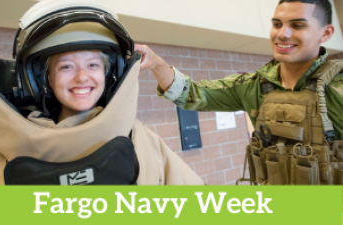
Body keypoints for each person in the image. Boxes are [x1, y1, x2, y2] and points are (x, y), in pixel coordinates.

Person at [0, 0, 204, 185]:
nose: (82, 77)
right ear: (44, 80)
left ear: (108, 75)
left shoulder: (144, 141)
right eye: (66, 66)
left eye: (93, 65)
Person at [136, 0, 343, 185]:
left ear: (325, 33)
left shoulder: (337, 88)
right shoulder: (253, 86)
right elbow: (194, 94)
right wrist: (157, 63)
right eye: (277, 24)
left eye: (297, 25)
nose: (282, 33)